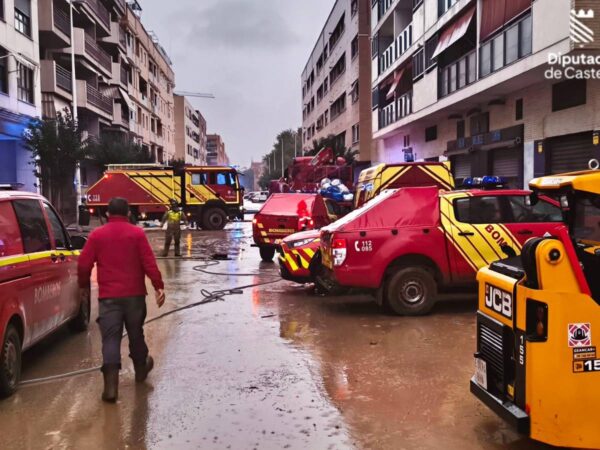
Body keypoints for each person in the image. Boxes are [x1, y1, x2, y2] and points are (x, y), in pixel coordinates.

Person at [78, 197, 166, 403]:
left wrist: (83, 286)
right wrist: (158, 285)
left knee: (110, 338)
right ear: (128, 214)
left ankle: (110, 387)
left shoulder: (97, 235)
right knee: (136, 333)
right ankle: (141, 368)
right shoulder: (137, 234)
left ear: (108, 214)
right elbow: (148, 262)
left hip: (109, 298)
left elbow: (83, 264)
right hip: (134, 297)